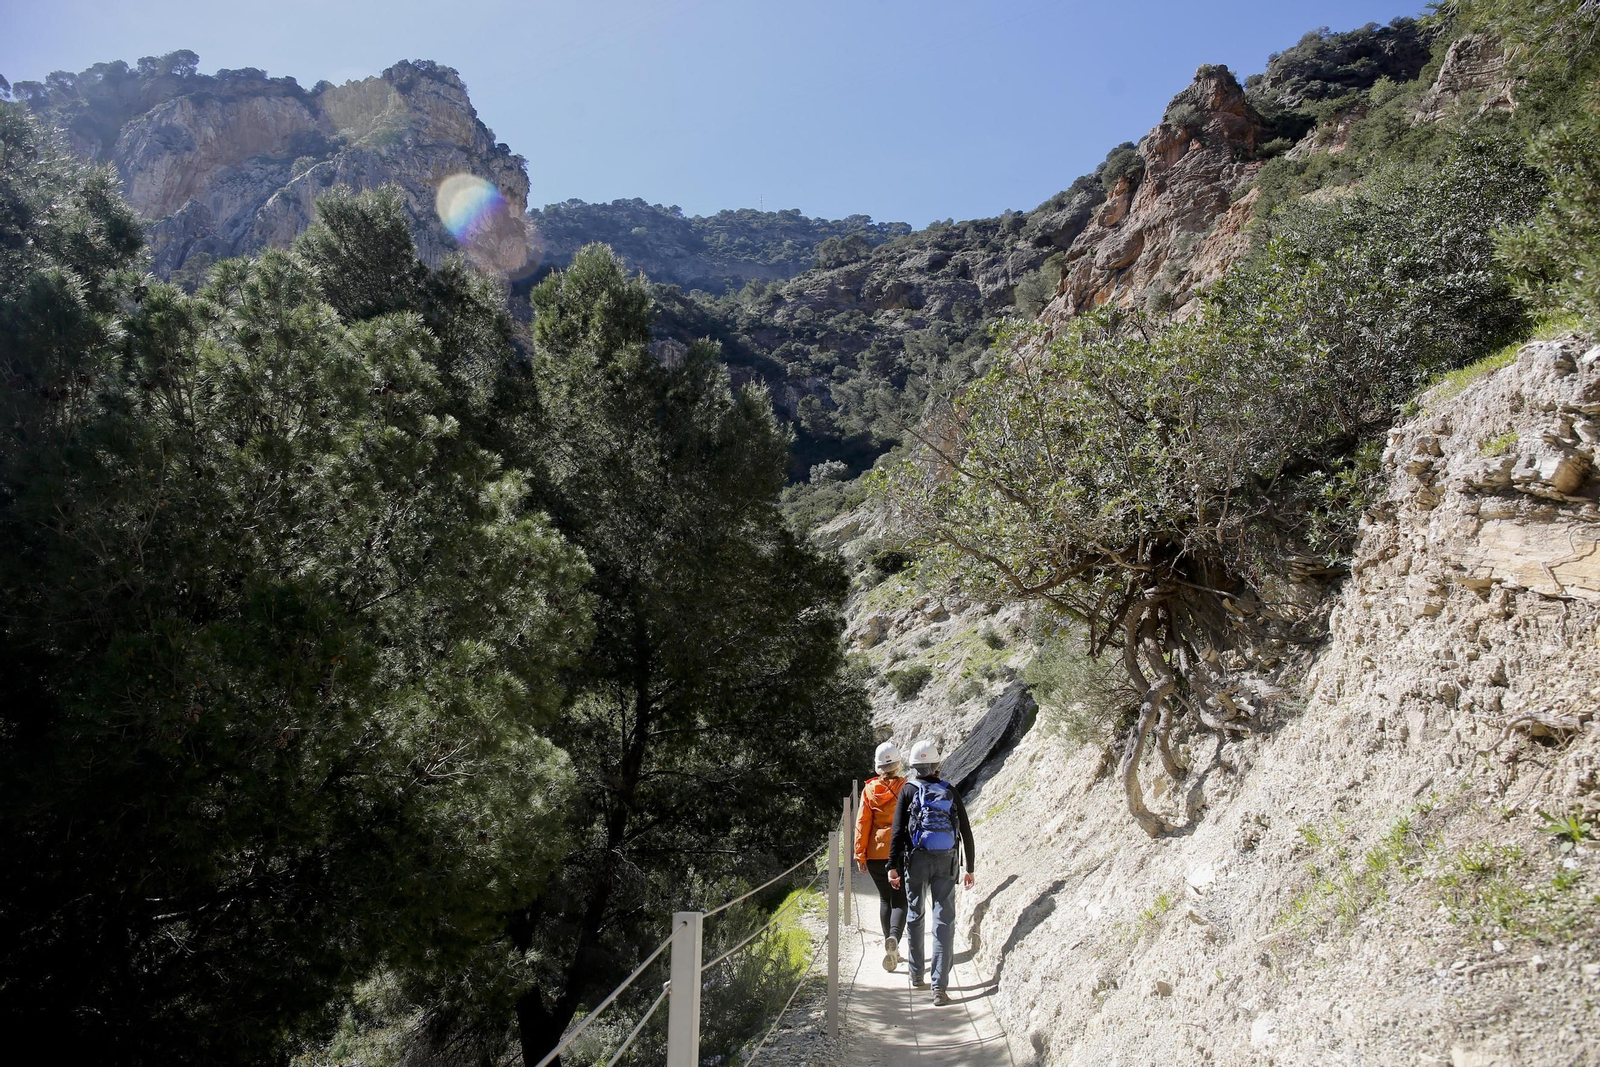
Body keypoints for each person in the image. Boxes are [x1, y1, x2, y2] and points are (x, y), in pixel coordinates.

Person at [887, 738, 975, 1007]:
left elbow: (897, 831)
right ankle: (939, 987)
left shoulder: (908, 790)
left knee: (915, 914)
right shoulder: (949, 790)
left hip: (916, 859)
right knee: (944, 920)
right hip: (947, 859)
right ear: (937, 765)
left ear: (914, 766)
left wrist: (892, 866)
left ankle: (916, 974)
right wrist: (970, 867)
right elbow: (965, 830)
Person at [855, 741, 909, 972]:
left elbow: (862, 822)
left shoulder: (869, 790)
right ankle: (894, 939)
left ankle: (890, 944)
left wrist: (860, 854)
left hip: (876, 854)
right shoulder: (905, 787)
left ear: (878, 766)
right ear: (897, 764)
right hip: (899, 852)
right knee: (900, 900)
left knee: (885, 899)